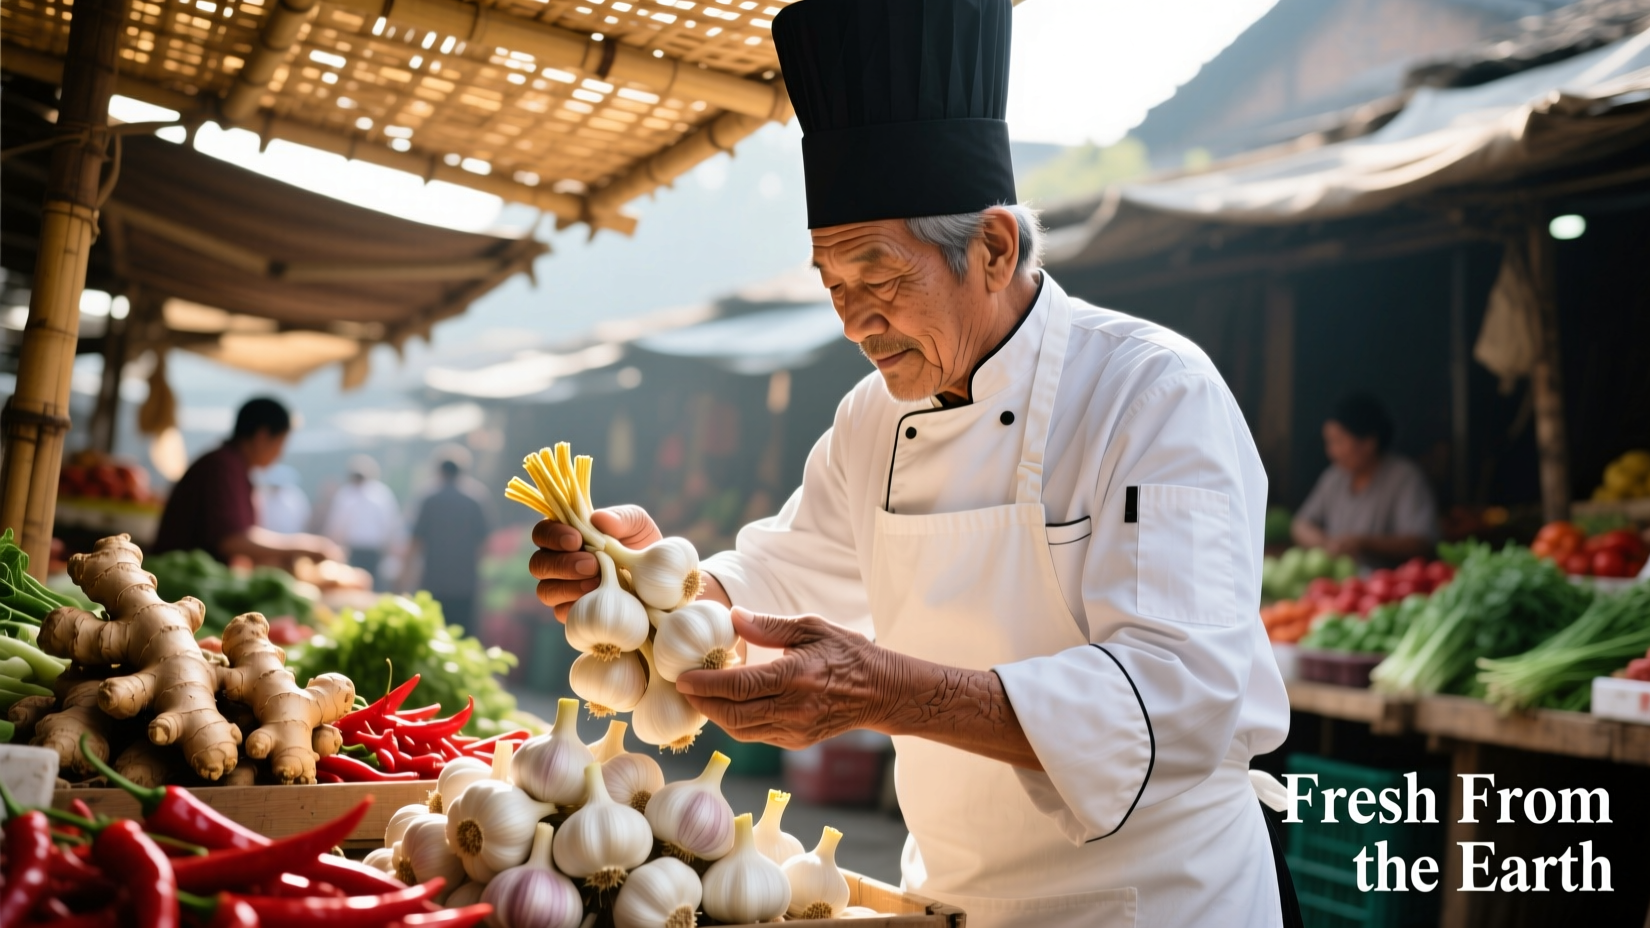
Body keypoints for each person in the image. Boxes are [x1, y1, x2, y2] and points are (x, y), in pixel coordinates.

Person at [528, 2, 1294, 925]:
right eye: (834, 286)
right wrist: (657, 589)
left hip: (1151, 899)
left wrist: (886, 690)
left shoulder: (1152, 392)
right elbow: (784, 574)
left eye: (881, 279)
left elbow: (1181, 696)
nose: (855, 322)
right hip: (946, 896)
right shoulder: (869, 420)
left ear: (994, 247)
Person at [153, 398, 342, 566]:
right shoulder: (222, 466)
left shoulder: (233, 466)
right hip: (179, 580)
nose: (280, 453)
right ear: (262, 437)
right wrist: (305, 546)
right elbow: (231, 540)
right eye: (280, 443)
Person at [1292, 393, 1439, 571]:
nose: (1331, 451)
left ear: (1369, 443)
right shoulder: (1334, 478)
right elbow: (1300, 524)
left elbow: (1422, 543)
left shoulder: (1404, 478)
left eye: (1338, 441)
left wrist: (1364, 543)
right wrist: (1327, 544)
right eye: (1328, 442)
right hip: (1339, 584)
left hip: (1387, 586)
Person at [407, 448, 490, 637]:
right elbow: (485, 544)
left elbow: (415, 541)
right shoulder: (475, 499)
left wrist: (405, 576)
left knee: (433, 638)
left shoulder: (429, 499)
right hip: (465, 584)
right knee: (462, 639)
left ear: (439, 471)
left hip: (433, 582)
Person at [323, 454, 404, 588]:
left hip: (369, 549)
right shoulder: (379, 494)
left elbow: (337, 526)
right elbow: (390, 524)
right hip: (359, 549)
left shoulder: (352, 494)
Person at [254, 463, 311, 535]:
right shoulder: (263, 495)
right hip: (268, 538)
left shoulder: (295, 496)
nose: (276, 488)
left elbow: (304, 518)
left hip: (292, 538)